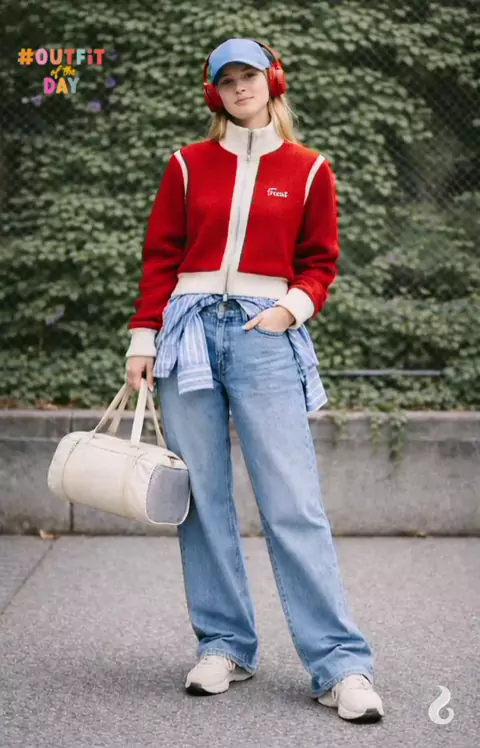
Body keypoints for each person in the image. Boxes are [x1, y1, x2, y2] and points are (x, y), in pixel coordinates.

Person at [125, 37, 384, 723]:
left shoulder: (309, 169)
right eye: (227, 79)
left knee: (294, 502)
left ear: (273, 81)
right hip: (186, 334)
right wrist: (143, 338)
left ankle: (340, 664)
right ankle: (224, 645)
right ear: (214, 92)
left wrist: (289, 310)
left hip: (264, 336)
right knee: (202, 499)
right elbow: (161, 256)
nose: (240, 87)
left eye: (250, 76)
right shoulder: (187, 164)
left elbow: (320, 262)